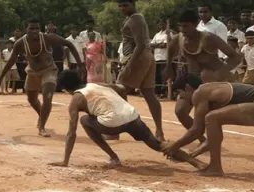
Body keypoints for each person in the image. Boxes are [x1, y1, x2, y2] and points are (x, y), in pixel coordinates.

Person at [53, 70, 205, 170]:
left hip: (111, 123)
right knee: (157, 144)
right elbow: (121, 88)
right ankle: (197, 163)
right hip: (132, 115)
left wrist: (65, 160)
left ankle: (113, 157)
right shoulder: (98, 85)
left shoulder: (76, 99)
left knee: (85, 120)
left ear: (66, 89)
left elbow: (71, 132)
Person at [0, 19, 84, 137]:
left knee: (47, 97)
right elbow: (12, 59)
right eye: (31, 28)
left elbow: (68, 44)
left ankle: (42, 126)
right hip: (32, 72)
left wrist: (79, 64)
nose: (35, 31)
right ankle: (41, 115)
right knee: (31, 99)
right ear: (25, 30)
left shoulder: (48, 38)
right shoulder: (20, 43)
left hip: (49, 70)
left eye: (37, 28)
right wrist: (1, 76)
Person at [164, 9, 243, 133]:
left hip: (214, 82)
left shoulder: (209, 38)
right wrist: (168, 68)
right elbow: (169, 50)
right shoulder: (178, 38)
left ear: (195, 24)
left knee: (209, 117)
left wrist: (220, 74)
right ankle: (201, 139)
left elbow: (236, 57)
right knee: (180, 112)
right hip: (193, 80)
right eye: (180, 26)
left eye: (186, 26)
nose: (182, 29)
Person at [114, 0, 165, 140]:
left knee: (119, 92)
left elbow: (140, 44)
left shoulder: (134, 19)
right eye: (120, 6)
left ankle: (118, 129)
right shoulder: (137, 18)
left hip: (138, 57)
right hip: (147, 56)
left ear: (133, 4)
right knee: (149, 94)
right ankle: (159, 131)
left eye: (126, 5)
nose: (123, 8)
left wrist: (129, 66)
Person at [149, 19, 171, 98]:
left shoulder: (168, 34)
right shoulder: (157, 34)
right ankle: (157, 92)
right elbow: (151, 45)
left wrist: (156, 45)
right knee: (157, 75)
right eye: (160, 24)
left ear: (166, 24)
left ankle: (163, 92)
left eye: (163, 24)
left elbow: (165, 45)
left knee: (163, 76)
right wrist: (159, 44)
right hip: (156, 57)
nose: (161, 26)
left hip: (164, 57)